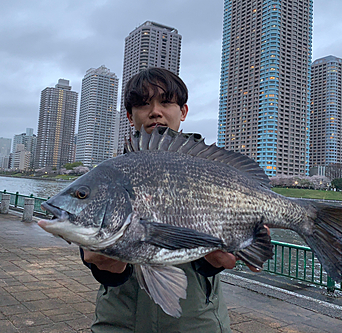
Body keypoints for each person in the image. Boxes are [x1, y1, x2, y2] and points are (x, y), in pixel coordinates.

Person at [82, 67, 262, 333]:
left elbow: (215, 259)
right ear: (130, 117)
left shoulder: (206, 167)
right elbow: (100, 262)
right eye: (143, 104)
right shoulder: (110, 176)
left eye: (166, 102)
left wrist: (212, 261)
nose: (155, 111)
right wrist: (105, 265)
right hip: (119, 322)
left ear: (183, 112)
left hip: (196, 322)